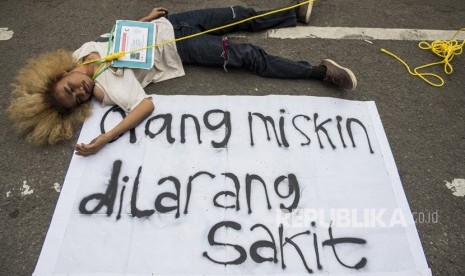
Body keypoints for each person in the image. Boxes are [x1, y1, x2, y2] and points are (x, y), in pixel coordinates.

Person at [7, 1, 357, 157]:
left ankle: (291, 13)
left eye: (71, 88)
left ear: (60, 72)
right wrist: (106, 137)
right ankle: (321, 71)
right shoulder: (107, 89)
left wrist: (146, 18)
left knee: (238, 15)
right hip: (181, 48)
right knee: (250, 57)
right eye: (78, 100)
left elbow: (113, 36)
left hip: (172, 24)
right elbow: (144, 105)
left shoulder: (80, 52)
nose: (81, 91)